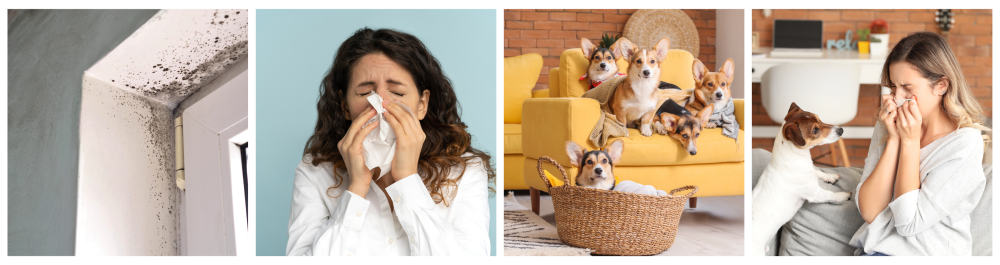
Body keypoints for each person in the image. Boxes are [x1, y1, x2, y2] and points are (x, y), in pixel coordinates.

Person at [286, 27, 494, 256]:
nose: (380, 105)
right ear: (345, 106)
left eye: (397, 93)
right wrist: (355, 191)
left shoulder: (466, 171)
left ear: (422, 104)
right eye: (366, 93)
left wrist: (407, 179)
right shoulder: (314, 171)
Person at [852, 32, 989, 256]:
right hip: (875, 252)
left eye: (908, 88)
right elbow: (869, 211)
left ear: (941, 86)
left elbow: (909, 223)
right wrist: (895, 138)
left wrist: (910, 142)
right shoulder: (888, 123)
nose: (897, 99)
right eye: (893, 88)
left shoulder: (964, 143)